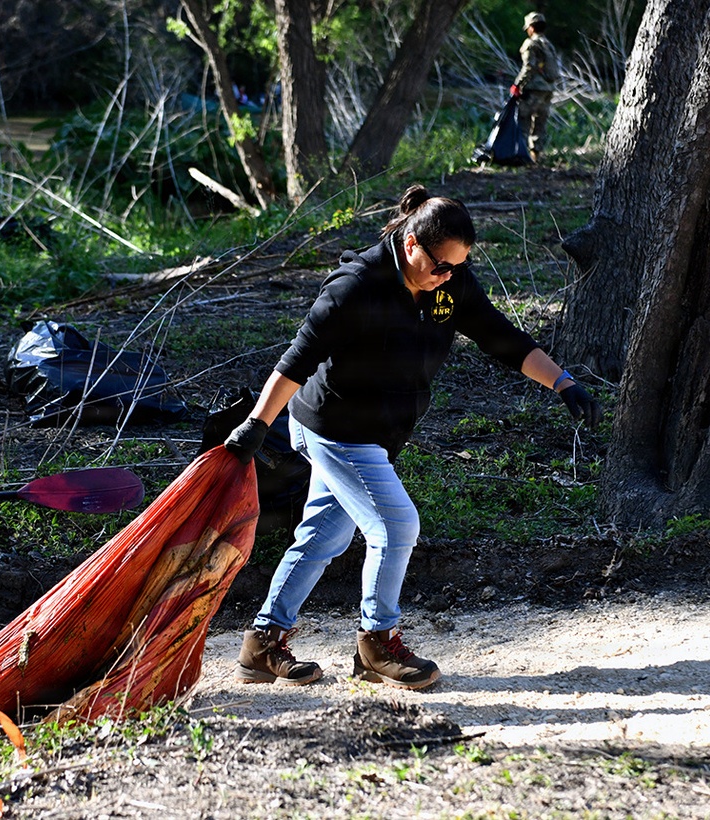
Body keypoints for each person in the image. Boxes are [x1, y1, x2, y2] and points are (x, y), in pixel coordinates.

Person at [224, 184, 600, 690]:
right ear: (411, 245)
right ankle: (377, 643)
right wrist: (256, 424)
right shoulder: (354, 287)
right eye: (440, 265)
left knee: (323, 536)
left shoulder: (449, 285)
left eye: (457, 267)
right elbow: (297, 360)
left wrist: (563, 382)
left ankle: (261, 644)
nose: (448, 277)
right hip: (334, 430)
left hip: (376, 436)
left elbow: (500, 337)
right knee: (396, 525)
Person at [510, 12, 560, 163]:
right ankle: (536, 156)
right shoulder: (548, 44)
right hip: (548, 89)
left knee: (524, 120)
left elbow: (528, 67)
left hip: (534, 89)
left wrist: (517, 85)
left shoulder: (530, 44)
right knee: (540, 122)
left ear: (531, 28)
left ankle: (521, 156)